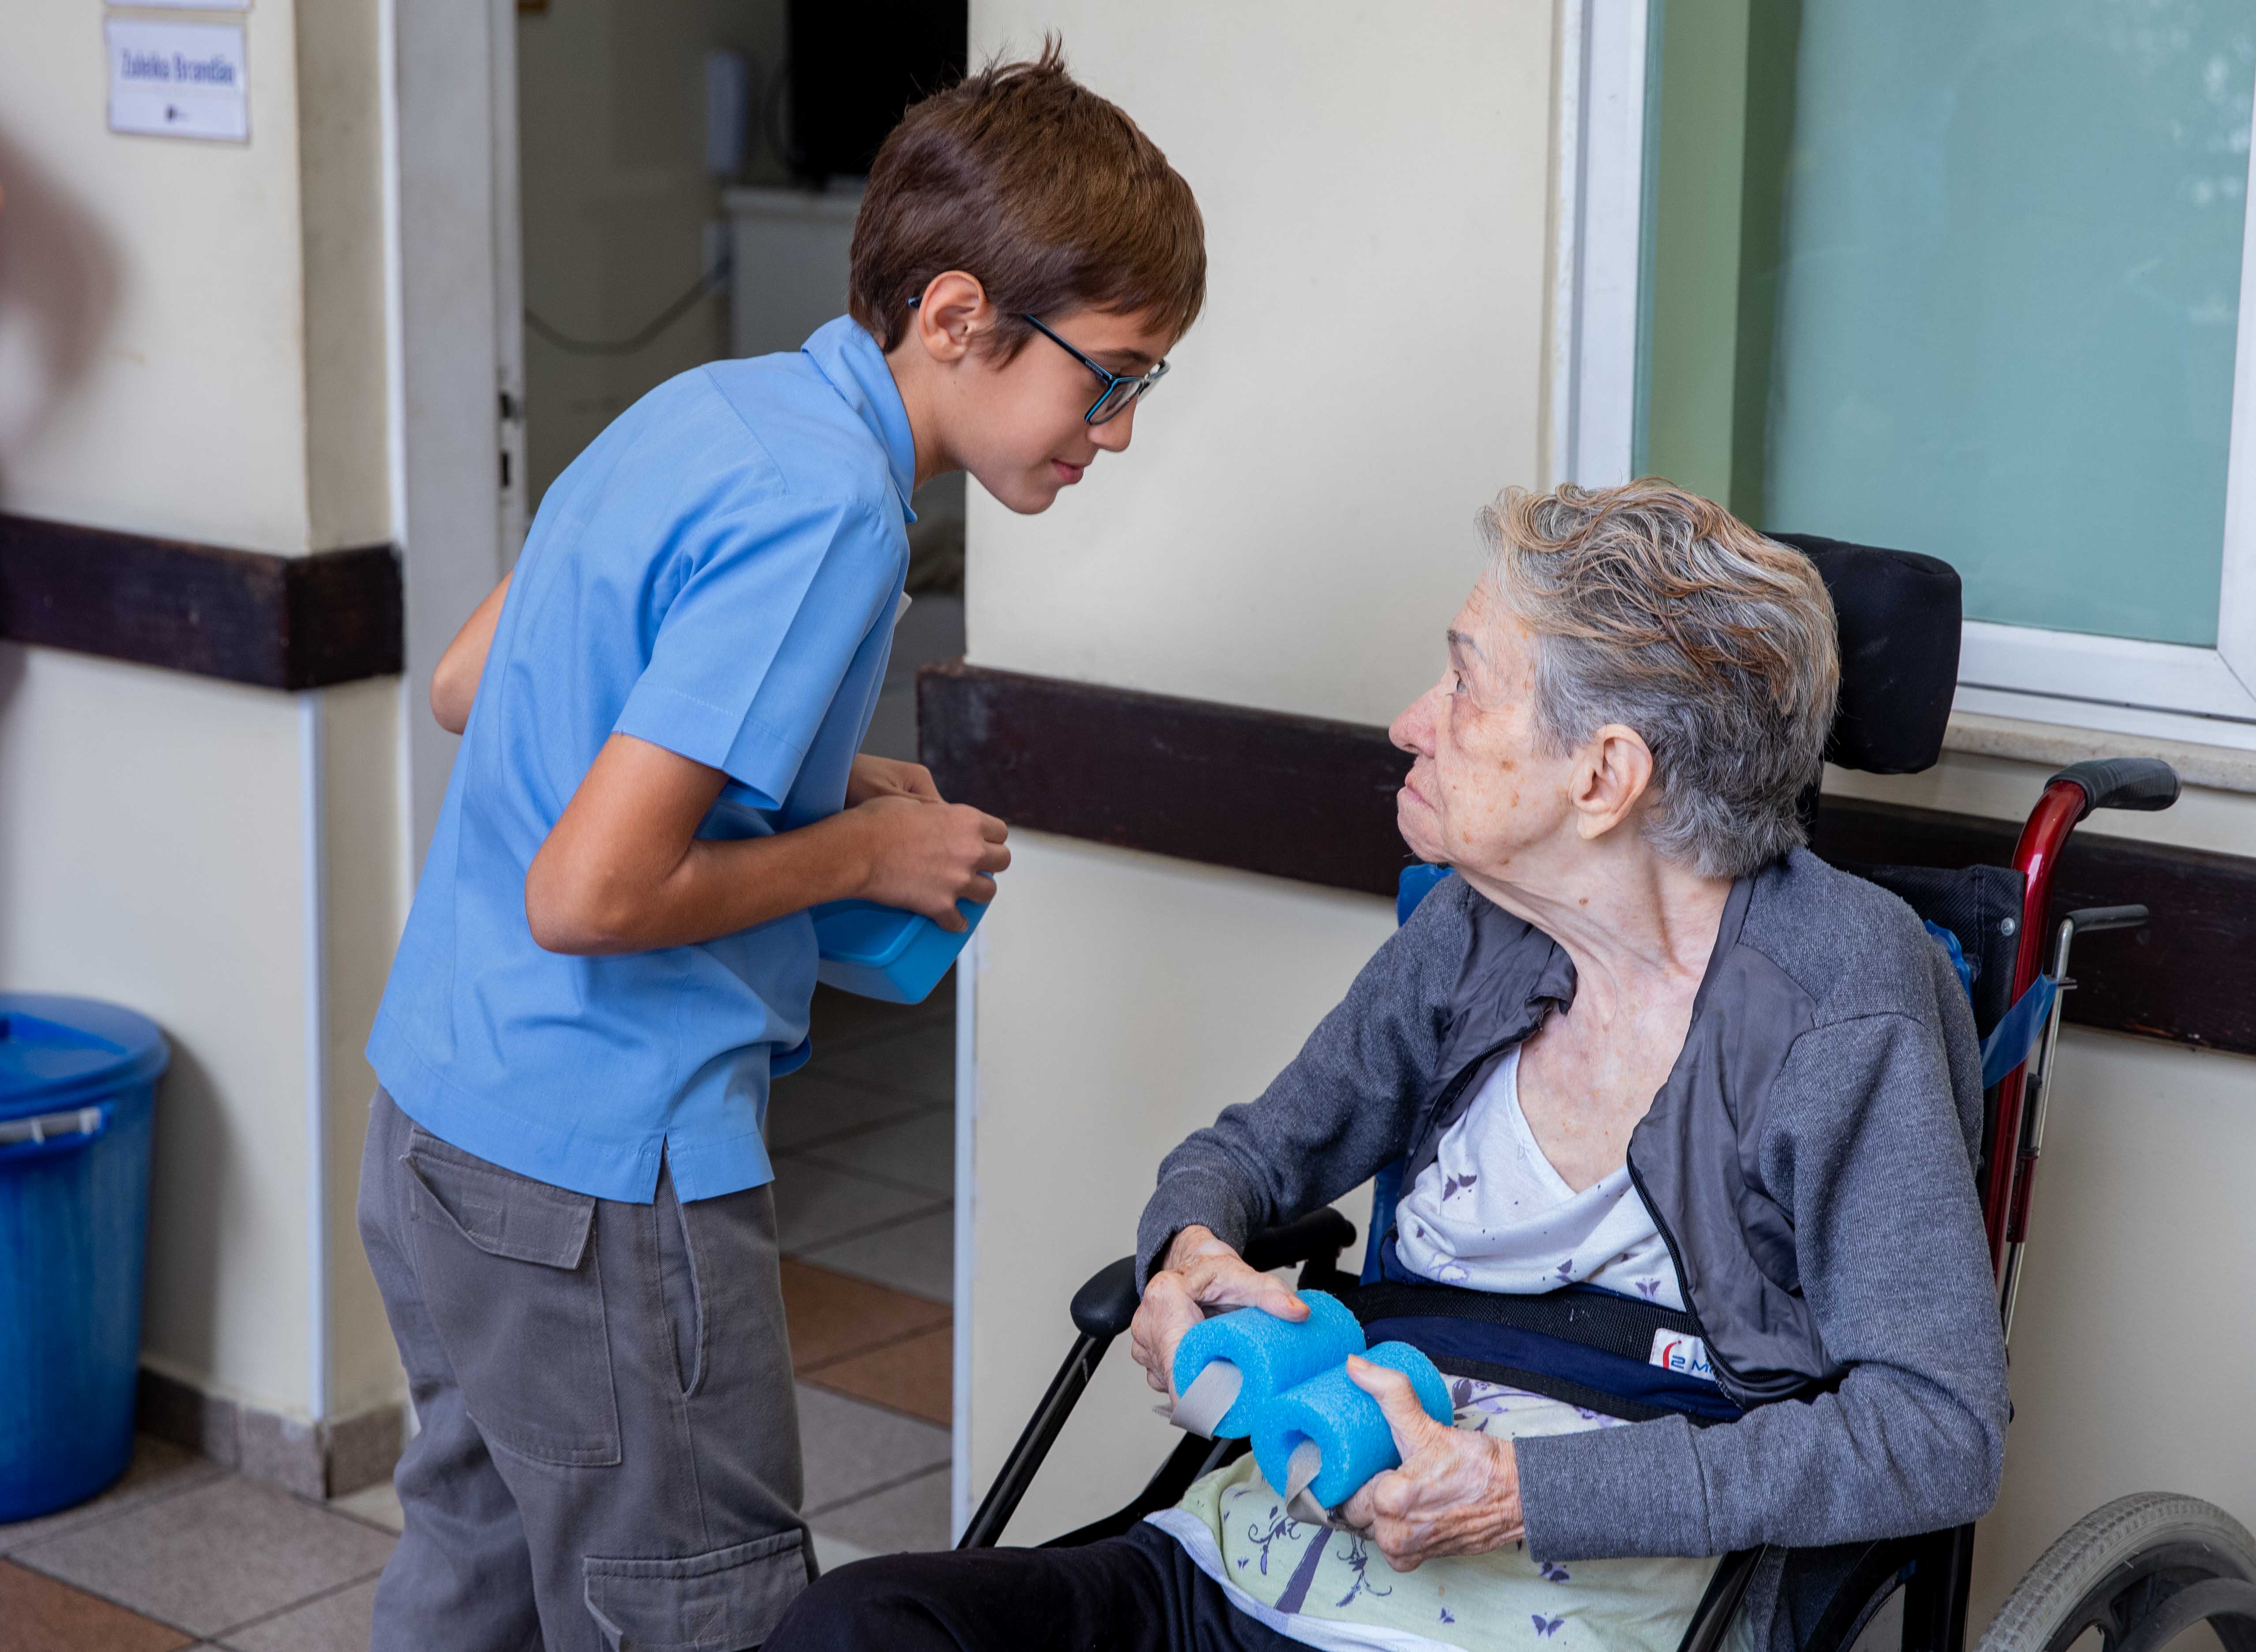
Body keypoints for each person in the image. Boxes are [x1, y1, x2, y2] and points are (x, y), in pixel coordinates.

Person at [766, 479, 2009, 1652]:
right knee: (867, 1622)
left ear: (1603, 774)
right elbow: (1247, 1153)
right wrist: (1187, 1249)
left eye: (1464, 685)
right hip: (1262, 1552)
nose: (1412, 722)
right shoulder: (1478, 923)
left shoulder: (1843, 998)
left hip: (1584, 1609)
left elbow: (1933, 1430)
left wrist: (1521, 1490)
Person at [357, 46, 1206, 1652]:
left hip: (438, 1121)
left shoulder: (717, 407)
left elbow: (483, 684)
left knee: (474, 1576)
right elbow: (591, 890)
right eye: (1111, 375)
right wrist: (859, 860)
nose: (1117, 427)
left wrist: (805, 783)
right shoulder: (837, 512)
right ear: (960, 319)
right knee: (702, 1617)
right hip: (597, 1174)